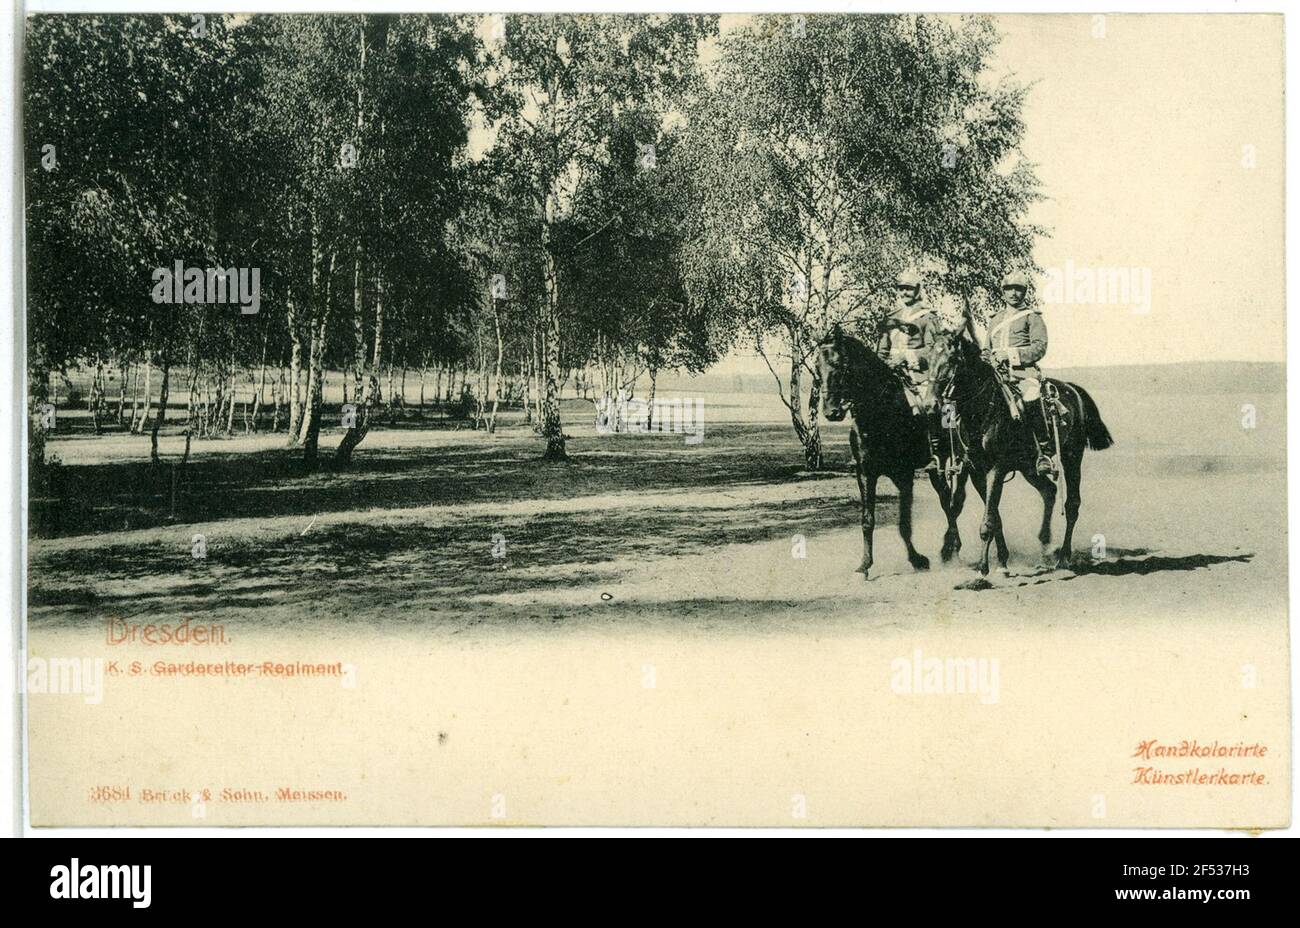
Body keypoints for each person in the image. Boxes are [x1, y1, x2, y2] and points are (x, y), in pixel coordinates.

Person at [986, 270, 1054, 476]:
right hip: (997, 375)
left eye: (1018, 289)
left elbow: (1039, 347)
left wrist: (1010, 355)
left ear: (1024, 292)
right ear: (1003, 292)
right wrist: (988, 359)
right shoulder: (995, 319)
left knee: (1031, 395)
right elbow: (986, 349)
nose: (1014, 293)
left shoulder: (1032, 317)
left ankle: (1044, 451)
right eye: (1009, 289)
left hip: (1023, 374)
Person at [876, 268, 942, 472]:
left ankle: (938, 452)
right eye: (901, 288)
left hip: (918, 375)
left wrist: (906, 357)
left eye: (909, 289)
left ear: (918, 290)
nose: (904, 293)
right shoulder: (891, 317)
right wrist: (883, 364)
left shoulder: (928, 317)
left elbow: (934, 350)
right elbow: (882, 350)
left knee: (935, 406)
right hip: (892, 374)